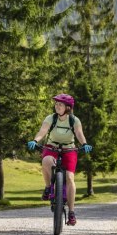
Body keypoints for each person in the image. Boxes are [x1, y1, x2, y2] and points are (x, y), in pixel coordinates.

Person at [27, 93, 92, 226]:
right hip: (52, 147)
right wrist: (35, 140)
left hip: (69, 149)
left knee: (69, 177)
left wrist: (84, 144)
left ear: (67, 107)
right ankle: (49, 187)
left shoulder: (74, 120)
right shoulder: (51, 118)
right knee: (46, 161)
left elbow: (79, 134)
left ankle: (72, 212)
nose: (57, 106)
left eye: (60, 104)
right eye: (56, 104)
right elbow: (43, 131)